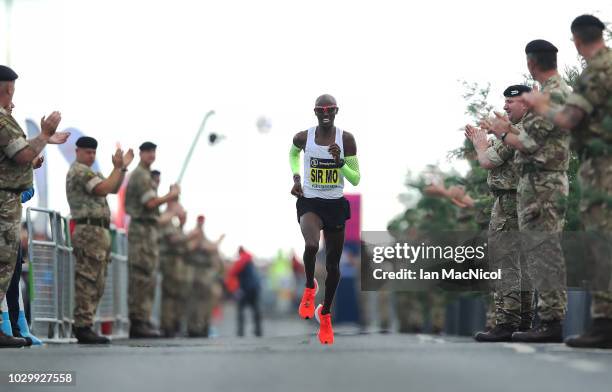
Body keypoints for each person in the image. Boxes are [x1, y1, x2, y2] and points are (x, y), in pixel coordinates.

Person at [520, 15, 612, 348]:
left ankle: (604, 323)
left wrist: (541, 107)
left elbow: (568, 119)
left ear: (576, 41)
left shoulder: (597, 72)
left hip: (603, 170)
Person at [485, 40, 571, 342]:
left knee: (544, 251)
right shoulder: (549, 95)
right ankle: (544, 320)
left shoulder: (554, 95)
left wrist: (503, 132)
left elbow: (531, 144)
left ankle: (551, 322)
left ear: (531, 63)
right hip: (535, 185)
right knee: (537, 254)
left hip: (544, 184)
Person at [0, 65, 69, 348]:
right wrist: (43, 135)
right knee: (3, 265)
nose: (12, 96)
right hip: (3, 200)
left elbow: (21, 155)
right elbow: (21, 153)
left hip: (9, 199)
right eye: (10, 90)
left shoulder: (5, 119)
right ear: (6, 89)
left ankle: (8, 326)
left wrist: (40, 144)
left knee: (7, 266)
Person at [289, 94, 361, 344]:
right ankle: (310, 288)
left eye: (330, 109)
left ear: (337, 111)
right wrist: (297, 178)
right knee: (311, 245)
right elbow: (292, 154)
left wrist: (340, 162)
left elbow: (355, 178)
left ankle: (326, 313)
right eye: (321, 109)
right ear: (315, 112)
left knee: (333, 267)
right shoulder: (303, 137)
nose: (326, 112)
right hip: (310, 201)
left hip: (335, 204)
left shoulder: (346, 139)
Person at [466, 85, 535, 341]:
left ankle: (507, 322)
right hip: (521, 199)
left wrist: (480, 144)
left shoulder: (517, 129)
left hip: (510, 202)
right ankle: (524, 322)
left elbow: (487, 160)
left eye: (511, 102)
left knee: (506, 262)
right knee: (523, 264)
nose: (505, 106)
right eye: (505, 101)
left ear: (526, 104)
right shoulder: (522, 127)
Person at [66, 136, 134, 343]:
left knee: (98, 280)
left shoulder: (91, 171)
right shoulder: (79, 171)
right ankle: (82, 325)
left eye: (94, 152)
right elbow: (104, 188)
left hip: (98, 232)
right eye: (88, 152)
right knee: (87, 279)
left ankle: (87, 324)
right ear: (77, 151)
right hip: (88, 230)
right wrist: (119, 168)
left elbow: (112, 188)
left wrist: (121, 169)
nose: (91, 156)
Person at [125, 141, 180, 338]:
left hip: (148, 230)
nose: (151, 155)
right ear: (141, 154)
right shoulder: (140, 175)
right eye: (147, 151)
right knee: (141, 277)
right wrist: (170, 196)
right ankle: (138, 321)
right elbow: (149, 203)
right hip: (141, 230)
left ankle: (144, 320)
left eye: (153, 152)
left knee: (148, 277)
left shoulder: (146, 175)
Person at [227, 246, 261, 337]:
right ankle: (258, 331)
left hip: (246, 289)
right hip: (254, 288)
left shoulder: (243, 259)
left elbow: (233, 272)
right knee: (255, 310)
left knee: (240, 311)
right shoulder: (249, 259)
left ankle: (240, 332)